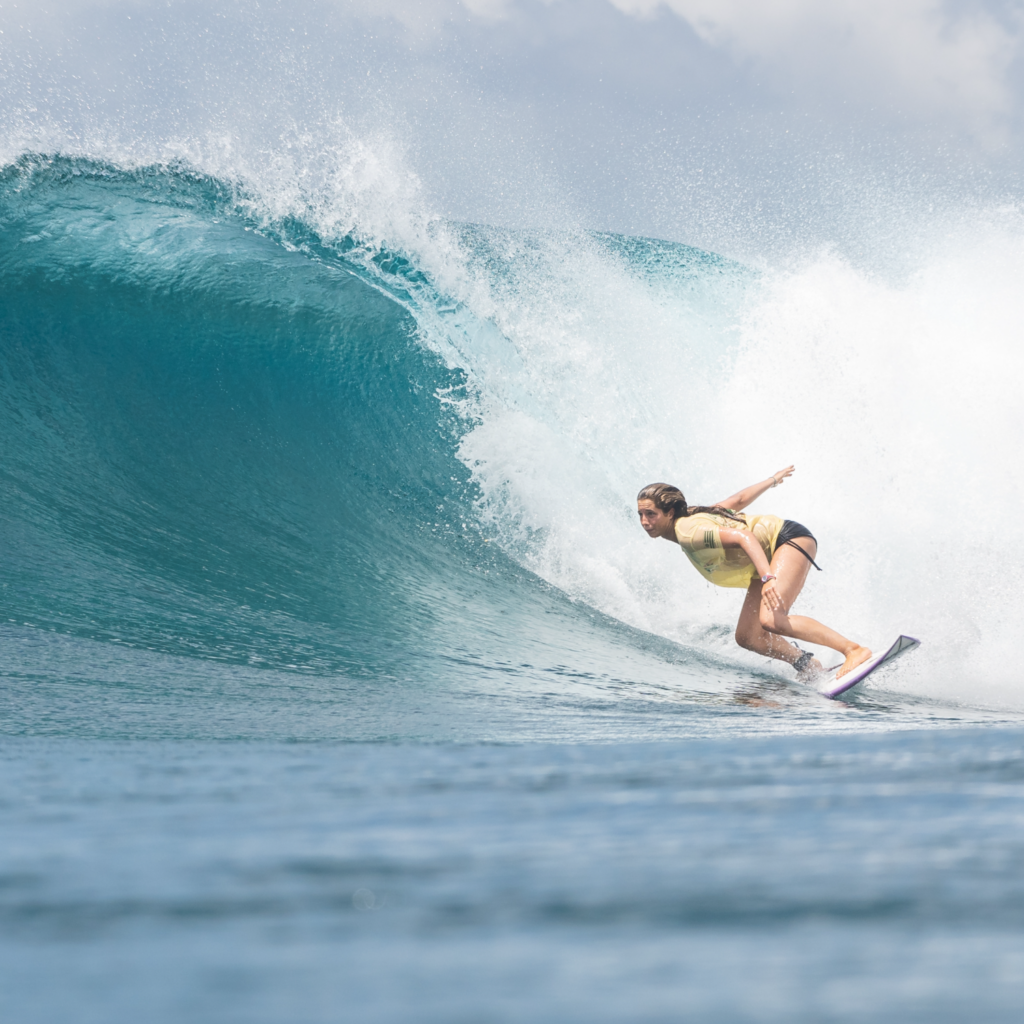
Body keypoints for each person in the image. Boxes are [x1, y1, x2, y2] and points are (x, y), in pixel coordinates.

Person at [636, 467, 871, 679]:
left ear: (670, 513)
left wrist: (767, 577)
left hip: (787, 540)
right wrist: (772, 480)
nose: (645, 521)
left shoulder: (689, 533)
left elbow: (743, 537)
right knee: (748, 636)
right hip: (768, 553)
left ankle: (854, 650)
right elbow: (736, 501)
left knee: (772, 620)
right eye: (641, 515)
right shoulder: (693, 516)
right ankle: (809, 666)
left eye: (651, 514)